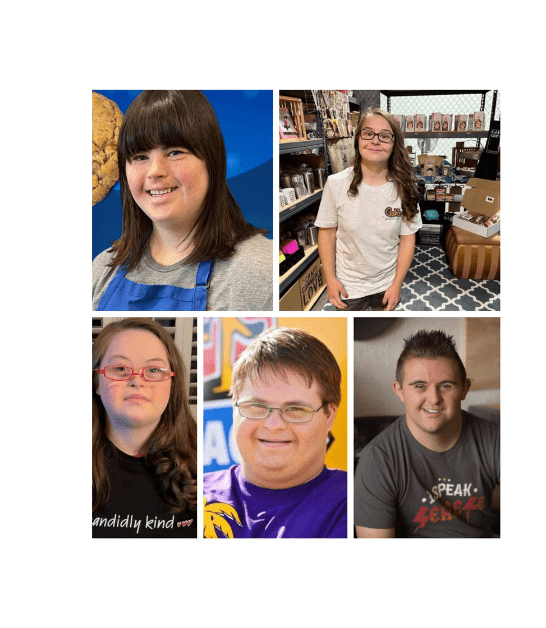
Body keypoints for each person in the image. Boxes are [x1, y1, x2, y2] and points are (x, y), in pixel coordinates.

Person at [92, 90, 272, 311]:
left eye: (175, 152)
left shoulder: (262, 273)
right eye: (140, 157)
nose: (155, 171)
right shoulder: (101, 270)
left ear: (212, 160)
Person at [203, 328, 347, 538]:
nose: (274, 424)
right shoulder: (191, 495)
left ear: (329, 416)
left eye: (296, 409)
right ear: (235, 406)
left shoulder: (352, 503)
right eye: (257, 406)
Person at [355, 330, 500, 538]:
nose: (433, 398)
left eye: (446, 386)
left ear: (464, 388)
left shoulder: (494, 439)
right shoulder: (378, 460)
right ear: (400, 391)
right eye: (419, 386)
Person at [93, 318, 197, 538]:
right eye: (120, 368)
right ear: (96, 382)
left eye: (153, 369)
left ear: (172, 382)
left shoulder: (208, 465)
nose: (137, 381)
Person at [315, 108, 421, 311]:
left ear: (394, 143)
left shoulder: (405, 186)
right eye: (368, 133)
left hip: (387, 285)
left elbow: (407, 238)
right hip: (348, 287)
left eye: (384, 136)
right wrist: (330, 279)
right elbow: (327, 232)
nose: (375, 141)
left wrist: (397, 284)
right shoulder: (336, 183)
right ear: (357, 139)